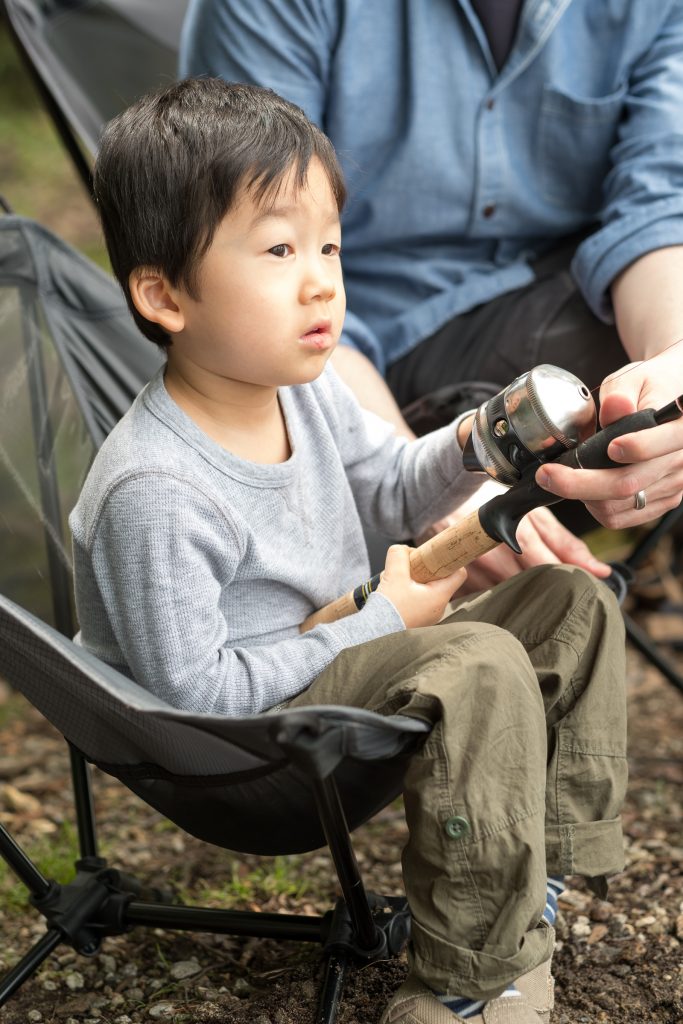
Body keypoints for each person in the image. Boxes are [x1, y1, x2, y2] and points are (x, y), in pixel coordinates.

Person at [70, 78, 627, 1024]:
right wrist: (383, 620)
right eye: (279, 250)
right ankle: (464, 977)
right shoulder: (153, 489)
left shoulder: (303, 389)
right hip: (249, 756)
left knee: (572, 604)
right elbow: (193, 699)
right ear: (164, 295)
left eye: (327, 244)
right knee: (480, 655)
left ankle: (528, 882)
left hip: (342, 667)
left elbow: (392, 489)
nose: (322, 278)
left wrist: (481, 439)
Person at [179, 0, 683, 590]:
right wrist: (415, 489)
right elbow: (255, 272)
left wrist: (673, 365)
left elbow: (659, 208)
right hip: (362, 362)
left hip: (576, 300)